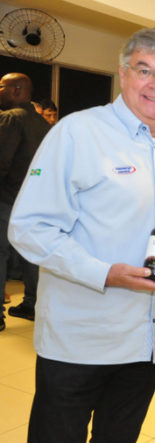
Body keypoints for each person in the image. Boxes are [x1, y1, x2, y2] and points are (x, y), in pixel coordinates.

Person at [8, 28, 155, 443]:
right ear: (123, 73)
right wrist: (104, 272)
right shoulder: (77, 133)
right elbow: (29, 228)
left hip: (146, 342)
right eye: (145, 70)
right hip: (80, 338)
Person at [0, 73, 50, 330]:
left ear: (16, 90)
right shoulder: (44, 125)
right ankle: (32, 304)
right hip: (35, 201)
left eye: (1, 87)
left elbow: (2, 162)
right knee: (32, 254)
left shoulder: (10, 119)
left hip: (7, 198)